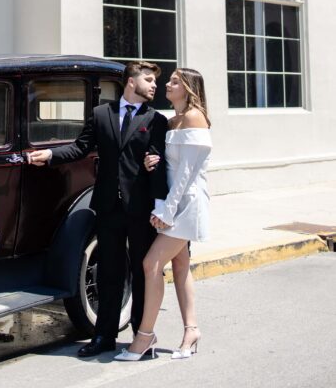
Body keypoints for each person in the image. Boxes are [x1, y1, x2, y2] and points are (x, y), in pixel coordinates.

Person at [28, 61, 168, 356]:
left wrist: (154, 171)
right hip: (107, 205)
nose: (154, 85)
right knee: (109, 272)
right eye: (148, 79)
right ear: (131, 81)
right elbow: (81, 147)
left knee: (142, 274)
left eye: (156, 81)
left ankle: (141, 337)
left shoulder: (156, 120)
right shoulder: (101, 114)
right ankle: (104, 336)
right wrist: (51, 154)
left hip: (141, 209)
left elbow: (160, 159)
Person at [115, 67, 212, 362]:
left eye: (173, 82)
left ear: (189, 88)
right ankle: (191, 330)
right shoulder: (172, 121)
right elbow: (170, 167)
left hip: (187, 205)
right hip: (172, 203)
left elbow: (187, 173)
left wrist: (167, 212)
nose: (166, 85)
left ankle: (145, 336)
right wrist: (152, 161)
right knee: (181, 266)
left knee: (150, 264)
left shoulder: (195, 117)